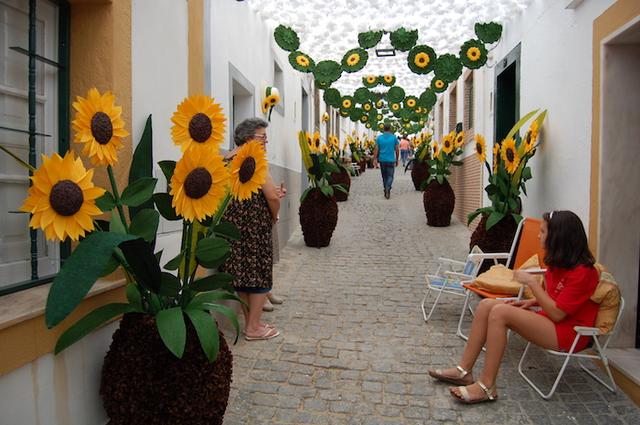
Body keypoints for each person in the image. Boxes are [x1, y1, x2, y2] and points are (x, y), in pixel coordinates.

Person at [428, 210, 599, 404]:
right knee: (486, 305)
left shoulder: (584, 273)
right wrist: (532, 302)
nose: (538, 235)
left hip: (570, 333)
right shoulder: (559, 263)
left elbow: (558, 313)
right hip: (551, 320)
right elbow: (558, 298)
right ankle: (463, 371)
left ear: (559, 237)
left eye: (542, 232)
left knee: (500, 312)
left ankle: (486, 386)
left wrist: (532, 284)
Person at [222, 118, 286, 341]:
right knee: (259, 276)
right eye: (262, 137)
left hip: (232, 226)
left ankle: (251, 322)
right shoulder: (254, 160)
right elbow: (270, 196)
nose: (265, 142)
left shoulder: (227, 158)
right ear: (248, 138)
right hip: (254, 226)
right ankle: (254, 328)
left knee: (242, 275)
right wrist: (275, 212)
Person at [373, 124, 399, 199]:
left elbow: (376, 149)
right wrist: (397, 159)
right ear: (390, 129)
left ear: (383, 129)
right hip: (391, 160)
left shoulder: (379, 138)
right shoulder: (394, 138)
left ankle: (386, 188)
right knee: (390, 176)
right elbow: (397, 149)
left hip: (382, 160)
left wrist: (375, 159)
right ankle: (388, 188)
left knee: (384, 176)